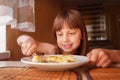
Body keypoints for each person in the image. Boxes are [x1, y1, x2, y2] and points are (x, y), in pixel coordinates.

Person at [17, 9, 117, 68]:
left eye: (71, 33)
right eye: (60, 34)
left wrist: (109, 54)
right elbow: (20, 39)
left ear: (82, 34)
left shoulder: (90, 54)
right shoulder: (53, 50)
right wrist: (27, 40)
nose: (65, 39)